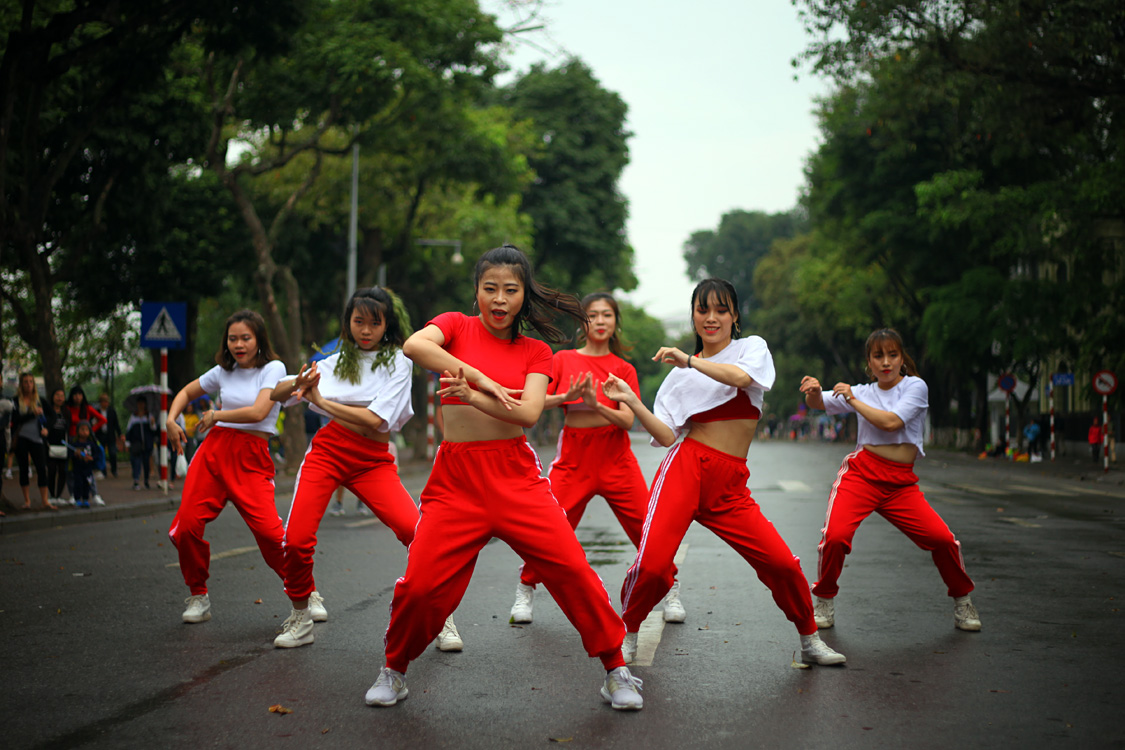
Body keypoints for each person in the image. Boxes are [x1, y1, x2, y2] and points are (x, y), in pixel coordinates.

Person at [367, 244, 643, 711]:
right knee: (420, 585)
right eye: (490, 288)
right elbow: (415, 345)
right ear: (475, 291)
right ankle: (393, 668)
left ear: (524, 296)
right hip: (455, 480)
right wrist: (477, 376)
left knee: (572, 570)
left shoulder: (537, 351)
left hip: (515, 476)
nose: (499, 299)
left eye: (510, 290)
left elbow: (530, 413)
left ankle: (616, 669)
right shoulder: (453, 326)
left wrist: (474, 396)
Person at [602, 278, 844, 668]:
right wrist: (633, 401)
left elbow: (743, 380)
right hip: (685, 469)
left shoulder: (751, 349)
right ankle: (627, 633)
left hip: (730, 483)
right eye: (703, 310)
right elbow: (666, 436)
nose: (711, 318)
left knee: (780, 562)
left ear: (734, 316)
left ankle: (809, 638)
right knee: (652, 565)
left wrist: (690, 360)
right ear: (693, 316)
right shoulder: (677, 378)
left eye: (721, 310)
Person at [268, 287, 465, 650]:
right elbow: (275, 395)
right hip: (328, 452)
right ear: (348, 323)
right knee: (295, 540)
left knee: (417, 533)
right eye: (359, 321)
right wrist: (299, 383)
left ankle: (441, 614)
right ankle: (300, 614)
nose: (366, 330)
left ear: (387, 325)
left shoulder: (399, 361)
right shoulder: (335, 360)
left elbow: (377, 420)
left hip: (372, 460)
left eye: (375, 323)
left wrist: (323, 401)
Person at [509, 292, 687, 625]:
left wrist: (596, 403)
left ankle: (671, 588)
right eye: (593, 315)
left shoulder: (623, 369)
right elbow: (535, 403)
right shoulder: (563, 361)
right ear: (583, 322)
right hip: (575, 457)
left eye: (607, 315)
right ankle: (526, 588)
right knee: (550, 526)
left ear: (616, 322)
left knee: (647, 528)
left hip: (616, 458)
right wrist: (568, 396)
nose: (601, 321)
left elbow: (626, 420)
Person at [799, 327, 981, 633]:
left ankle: (963, 601)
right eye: (878, 356)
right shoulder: (863, 391)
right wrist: (815, 391)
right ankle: (824, 600)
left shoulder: (915, 387)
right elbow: (819, 403)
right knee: (835, 537)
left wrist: (853, 400)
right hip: (862, 475)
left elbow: (892, 422)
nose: (886, 362)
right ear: (868, 363)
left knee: (942, 539)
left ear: (902, 359)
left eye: (892, 355)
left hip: (900, 484)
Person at [165, 309, 289, 625]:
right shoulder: (222, 372)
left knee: (270, 534)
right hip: (214, 452)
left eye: (245, 337)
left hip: (250, 456)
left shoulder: (273, 368)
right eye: (233, 338)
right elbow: (186, 392)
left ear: (259, 339)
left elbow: (260, 412)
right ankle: (198, 595)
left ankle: (306, 590)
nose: (238, 344)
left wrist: (217, 415)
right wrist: (171, 418)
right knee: (188, 526)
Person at [12, 373, 56, 511]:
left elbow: (53, 416)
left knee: (42, 468)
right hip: (22, 438)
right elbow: (15, 419)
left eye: (31, 382)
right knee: (24, 468)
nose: (29, 384)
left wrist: (47, 429)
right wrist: (32, 414)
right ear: (21, 384)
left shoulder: (40, 400)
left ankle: (45, 501)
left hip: (37, 438)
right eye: (25, 382)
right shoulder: (15, 400)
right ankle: (27, 501)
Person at [44, 388, 70, 505]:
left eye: (62, 396)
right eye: (57, 395)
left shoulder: (66, 413)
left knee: (62, 471)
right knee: (51, 470)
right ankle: (52, 495)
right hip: (50, 445)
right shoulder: (47, 412)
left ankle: (59, 495)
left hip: (63, 445)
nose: (59, 398)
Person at [125, 400, 156, 490]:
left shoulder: (149, 416)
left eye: (142, 403)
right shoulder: (133, 417)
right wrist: (128, 443)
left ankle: (146, 481)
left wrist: (152, 423)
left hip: (147, 444)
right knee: (136, 462)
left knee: (146, 463)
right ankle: (136, 480)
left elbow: (153, 430)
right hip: (136, 444)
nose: (141, 405)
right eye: (139, 403)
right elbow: (129, 430)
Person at [69, 420, 98, 508]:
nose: (84, 432)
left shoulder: (91, 444)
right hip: (77, 469)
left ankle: (85, 499)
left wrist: (91, 458)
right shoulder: (75, 444)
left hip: (88, 469)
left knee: (87, 484)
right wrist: (75, 454)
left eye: (86, 430)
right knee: (78, 484)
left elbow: (96, 455)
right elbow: (70, 455)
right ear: (78, 431)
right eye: (82, 429)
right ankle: (77, 499)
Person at [95, 393, 121, 478]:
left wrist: (120, 434)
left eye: (106, 402)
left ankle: (114, 470)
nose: (105, 403)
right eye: (103, 402)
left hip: (110, 435)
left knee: (112, 453)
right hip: (100, 435)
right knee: (101, 453)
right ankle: (103, 471)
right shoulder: (97, 412)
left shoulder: (111, 411)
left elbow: (116, 423)